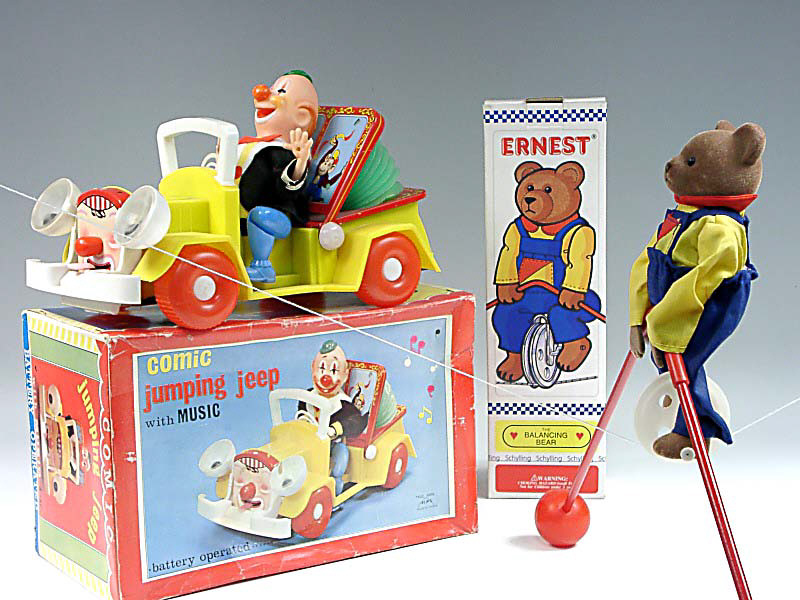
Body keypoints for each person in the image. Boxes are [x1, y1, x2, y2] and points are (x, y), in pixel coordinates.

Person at [236, 70, 319, 282]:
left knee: (260, 216)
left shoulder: (284, 151)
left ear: (302, 116)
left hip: (279, 217)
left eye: (280, 92)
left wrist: (300, 162)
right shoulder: (249, 145)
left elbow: (288, 189)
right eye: (273, 89)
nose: (263, 92)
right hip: (240, 213)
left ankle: (262, 266)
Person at [299, 340, 368, 494]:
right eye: (321, 368)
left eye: (334, 370)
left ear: (344, 375)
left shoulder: (343, 404)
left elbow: (357, 421)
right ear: (313, 368)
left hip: (332, 444)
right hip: (309, 443)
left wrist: (336, 429)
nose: (326, 377)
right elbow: (301, 413)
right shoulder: (307, 396)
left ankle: (335, 491)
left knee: (341, 456)